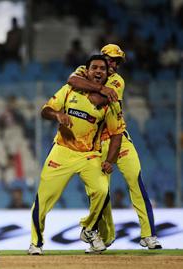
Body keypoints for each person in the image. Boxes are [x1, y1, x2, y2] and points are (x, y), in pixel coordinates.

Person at [68, 44, 162, 250]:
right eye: (110, 60)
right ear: (100, 58)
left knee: (135, 181)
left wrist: (89, 87)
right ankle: (103, 236)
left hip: (119, 138)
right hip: (95, 143)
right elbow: (71, 80)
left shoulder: (117, 80)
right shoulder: (84, 70)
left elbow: (96, 101)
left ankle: (149, 235)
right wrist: (99, 86)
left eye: (117, 62)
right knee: (101, 192)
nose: (113, 65)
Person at [28, 55, 125, 255]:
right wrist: (57, 115)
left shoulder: (110, 103)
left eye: (102, 69)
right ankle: (36, 243)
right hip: (62, 151)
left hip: (89, 155)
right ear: (86, 71)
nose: (98, 71)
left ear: (107, 74)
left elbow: (116, 134)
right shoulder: (69, 89)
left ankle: (89, 229)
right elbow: (45, 110)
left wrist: (109, 160)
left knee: (102, 190)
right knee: (43, 199)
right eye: (94, 68)